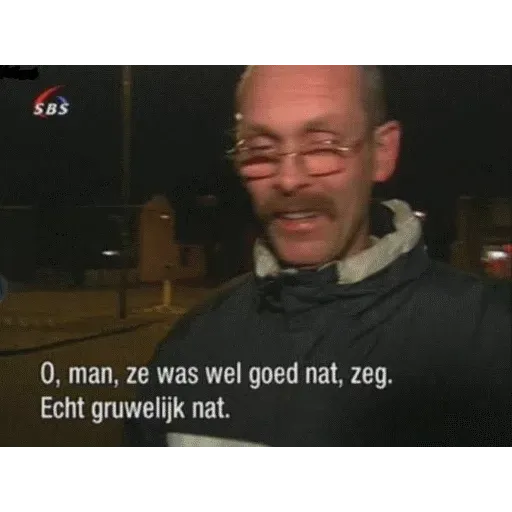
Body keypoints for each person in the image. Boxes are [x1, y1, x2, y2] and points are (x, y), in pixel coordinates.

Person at [124, 64, 511, 448]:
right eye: (261, 151)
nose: (289, 180)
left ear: (382, 151)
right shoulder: (190, 347)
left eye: (323, 146)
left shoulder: (492, 340)